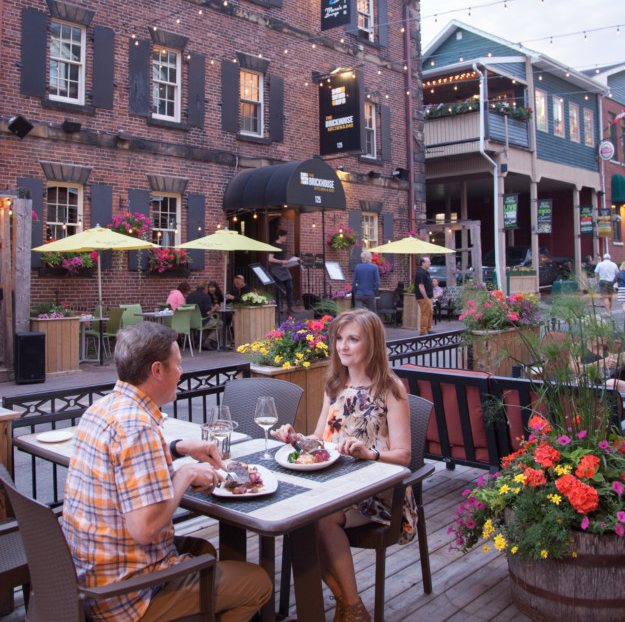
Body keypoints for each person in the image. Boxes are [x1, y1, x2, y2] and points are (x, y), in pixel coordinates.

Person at [62, 323, 271, 622]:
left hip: (88, 578)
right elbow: (145, 530)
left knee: (204, 550)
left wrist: (177, 447)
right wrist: (183, 476)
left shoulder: (103, 409)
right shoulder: (138, 427)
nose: (183, 371)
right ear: (157, 370)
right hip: (127, 598)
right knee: (257, 582)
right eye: (179, 364)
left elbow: (125, 460)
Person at [272, 309, 415, 622]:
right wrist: (295, 439)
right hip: (335, 483)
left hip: (379, 489)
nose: (343, 346)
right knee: (299, 519)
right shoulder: (335, 384)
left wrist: (369, 454)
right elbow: (319, 439)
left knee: (320, 521)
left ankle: (349, 608)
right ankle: (352, 607)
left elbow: (404, 456)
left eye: (353, 339)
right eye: (339, 338)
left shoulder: (391, 389)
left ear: (372, 344)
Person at [268, 229, 294, 314]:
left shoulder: (283, 246)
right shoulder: (273, 245)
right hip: (277, 269)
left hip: (284, 268)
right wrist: (282, 261)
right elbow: (270, 259)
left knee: (290, 287)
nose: (286, 238)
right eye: (285, 236)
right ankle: (278, 306)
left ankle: (290, 306)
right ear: (280, 236)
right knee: (278, 289)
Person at [414, 256, 434, 335]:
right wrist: (425, 296)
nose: (430, 263)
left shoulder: (426, 272)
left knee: (430, 312)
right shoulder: (420, 273)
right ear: (423, 263)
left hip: (428, 296)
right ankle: (423, 330)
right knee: (425, 313)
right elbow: (421, 286)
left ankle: (428, 328)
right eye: (428, 262)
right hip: (423, 297)